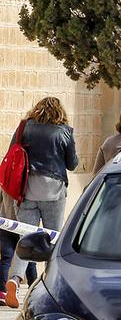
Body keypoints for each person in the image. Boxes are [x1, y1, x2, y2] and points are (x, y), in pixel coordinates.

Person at [5, 97, 78, 305]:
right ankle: (50, 287)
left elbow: (13, 153)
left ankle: (14, 280)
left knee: (25, 239)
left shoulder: (24, 127)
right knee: (52, 240)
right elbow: (72, 164)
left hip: (27, 190)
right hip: (53, 192)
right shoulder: (65, 131)